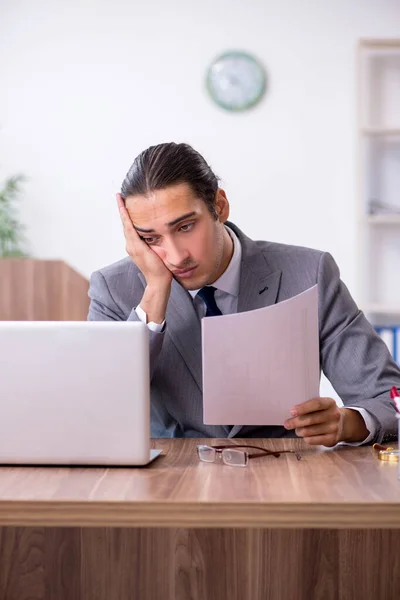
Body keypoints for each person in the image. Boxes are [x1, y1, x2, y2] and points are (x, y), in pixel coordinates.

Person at [88, 142, 400, 446]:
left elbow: (389, 396)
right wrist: (155, 292)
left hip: (287, 477)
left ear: (219, 206)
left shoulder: (309, 273)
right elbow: (100, 409)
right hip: (171, 480)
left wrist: (348, 422)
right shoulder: (115, 289)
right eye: (151, 238)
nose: (174, 256)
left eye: (185, 227)